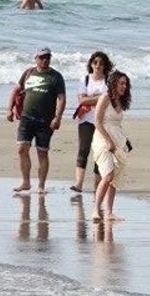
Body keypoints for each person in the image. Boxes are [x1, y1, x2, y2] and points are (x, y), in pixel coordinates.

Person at [10, 48, 67, 194]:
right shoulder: (29, 73)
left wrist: (58, 118)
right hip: (26, 118)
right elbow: (16, 89)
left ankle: (41, 185)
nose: (45, 60)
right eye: (41, 57)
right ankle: (26, 182)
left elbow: (62, 98)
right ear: (35, 58)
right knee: (22, 149)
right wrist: (8, 109)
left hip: (46, 121)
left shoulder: (56, 77)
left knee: (42, 152)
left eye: (47, 57)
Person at [90, 71, 132, 224]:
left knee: (115, 177)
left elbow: (117, 123)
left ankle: (108, 212)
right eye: (121, 83)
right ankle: (96, 209)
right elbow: (97, 122)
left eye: (125, 84)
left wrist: (123, 141)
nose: (124, 86)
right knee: (108, 174)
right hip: (102, 139)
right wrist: (109, 141)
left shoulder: (121, 101)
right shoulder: (105, 98)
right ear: (113, 83)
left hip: (118, 138)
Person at [71, 52, 111, 195]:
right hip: (86, 120)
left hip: (103, 121)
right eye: (95, 62)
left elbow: (108, 101)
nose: (98, 65)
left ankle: (97, 185)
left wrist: (91, 99)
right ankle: (78, 183)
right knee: (83, 150)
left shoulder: (108, 81)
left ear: (105, 65)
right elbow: (82, 100)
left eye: (101, 63)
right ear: (91, 64)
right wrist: (99, 98)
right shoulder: (85, 79)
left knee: (99, 152)